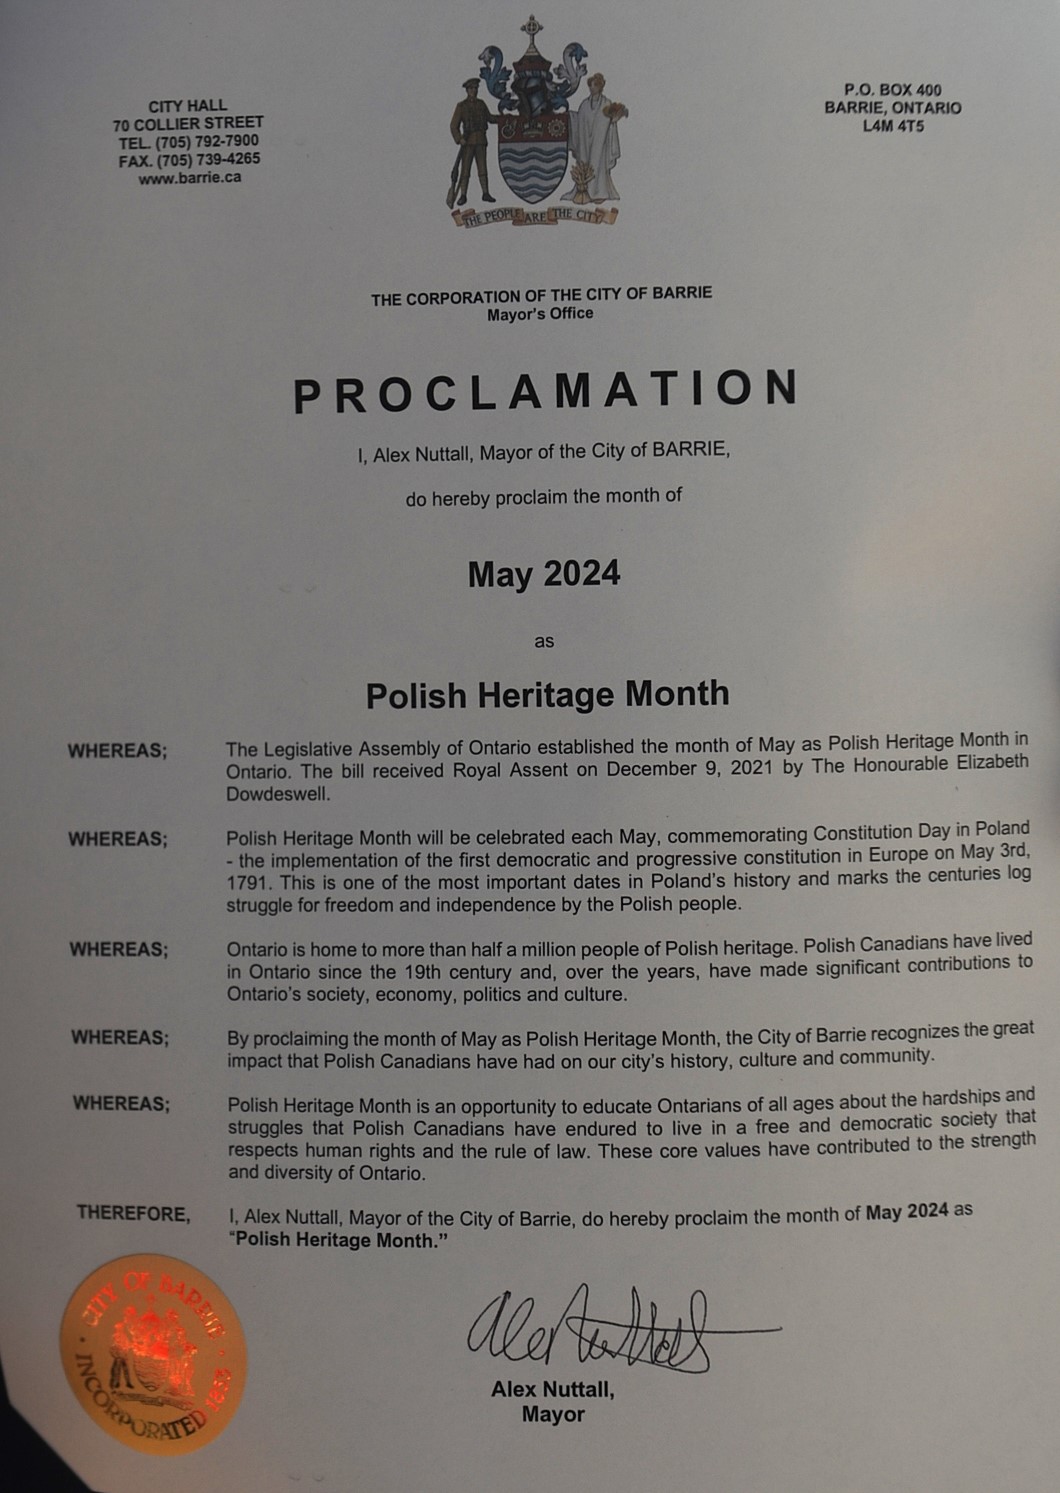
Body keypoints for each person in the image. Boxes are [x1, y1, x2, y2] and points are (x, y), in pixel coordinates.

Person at [563, 73, 626, 203]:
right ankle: (585, 191)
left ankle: (599, 192)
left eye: (594, 86)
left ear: (600, 87)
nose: (592, 88)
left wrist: (614, 119)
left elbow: (608, 122)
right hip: (586, 143)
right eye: (590, 86)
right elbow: (579, 120)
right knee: (585, 163)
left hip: (600, 143)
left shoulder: (606, 104)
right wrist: (570, 117)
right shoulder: (584, 105)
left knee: (598, 164)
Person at [448, 79, 497, 207]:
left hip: (480, 140)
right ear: (467, 90)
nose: (474, 91)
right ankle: (463, 195)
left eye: (475, 88)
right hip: (468, 142)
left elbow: (490, 118)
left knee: (482, 168)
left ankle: (485, 193)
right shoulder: (461, 106)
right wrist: (460, 139)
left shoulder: (481, 104)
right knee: (465, 170)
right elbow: (453, 126)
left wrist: (503, 118)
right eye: (471, 88)